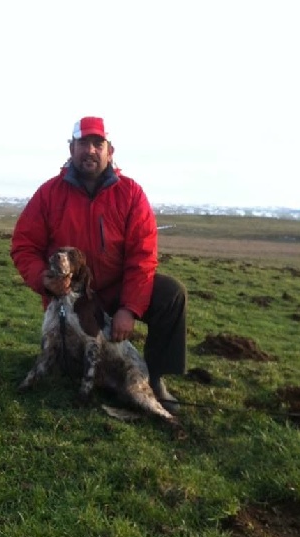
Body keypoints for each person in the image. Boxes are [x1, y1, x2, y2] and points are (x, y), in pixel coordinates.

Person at [10, 116, 187, 414]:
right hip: (73, 296)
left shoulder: (131, 194)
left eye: (97, 143)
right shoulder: (49, 193)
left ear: (110, 150)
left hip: (116, 291)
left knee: (172, 294)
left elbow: (142, 256)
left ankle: (154, 379)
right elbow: (24, 245)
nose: (89, 150)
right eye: (82, 143)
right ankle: (70, 365)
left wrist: (129, 308)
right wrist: (44, 279)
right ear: (71, 149)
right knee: (70, 362)